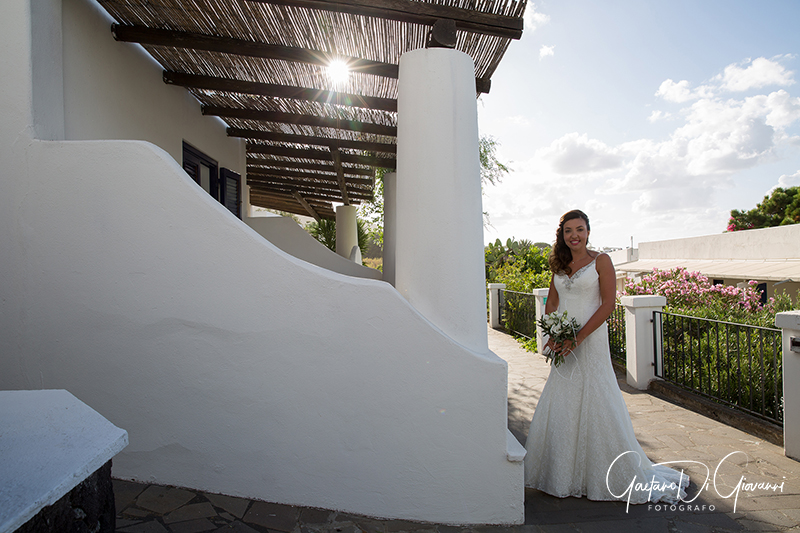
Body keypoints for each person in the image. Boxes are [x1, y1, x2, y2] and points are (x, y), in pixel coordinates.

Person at [524, 209, 689, 504]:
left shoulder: (601, 261)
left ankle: (606, 474)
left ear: (588, 231)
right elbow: (552, 300)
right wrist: (552, 331)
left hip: (590, 338)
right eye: (568, 231)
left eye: (580, 229)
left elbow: (608, 305)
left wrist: (578, 337)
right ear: (561, 235)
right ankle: (561, 473)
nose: (574, 235)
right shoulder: (559, 264)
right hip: (563, 341)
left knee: (597, 397)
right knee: (562, 396)